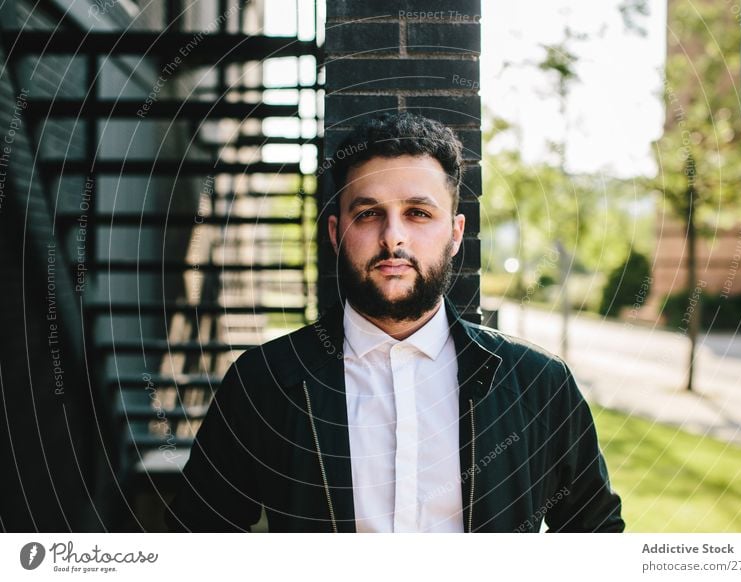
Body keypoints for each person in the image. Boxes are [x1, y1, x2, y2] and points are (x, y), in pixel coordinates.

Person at [165, 112, 624, 533]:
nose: (393, 236)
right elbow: (196, 539)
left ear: (456, 233)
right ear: (335, 233)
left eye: (418, 213)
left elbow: (596, 535)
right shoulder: (264, 381)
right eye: (368, 214)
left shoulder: (536, 384)